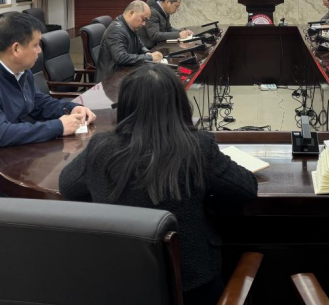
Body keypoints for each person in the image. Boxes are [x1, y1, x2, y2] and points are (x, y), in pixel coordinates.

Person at [59, 65, 257, 305]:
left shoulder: (100, 147)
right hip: (193, 289)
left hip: (117, 287)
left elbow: (67, 186)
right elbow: (246, 188)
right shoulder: (198, 146)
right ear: (179, 103)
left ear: (125, 106)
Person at [0, 14, 96, 200]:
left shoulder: (20, 70)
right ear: (16, 48)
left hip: (11, 159)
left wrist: (70, 108)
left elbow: (37, 102)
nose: (40, 50)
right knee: (62, 196)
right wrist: (59, 126)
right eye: (36, 45)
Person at [96, 0, 164, 82]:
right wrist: (149, 57)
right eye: (143, 19)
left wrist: (148, 53)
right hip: (111, 81)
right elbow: (121, 58)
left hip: (125, 73)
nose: (144, 24)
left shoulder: (130, 26)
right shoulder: (116, 30)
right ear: (131, 13)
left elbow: (140, 45)